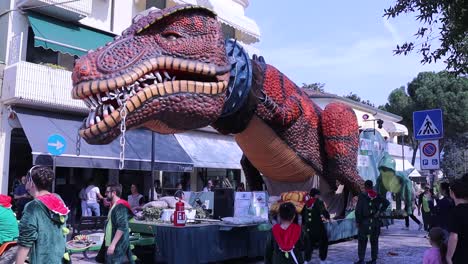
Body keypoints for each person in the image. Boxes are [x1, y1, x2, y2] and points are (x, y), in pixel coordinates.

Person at [15, 166, 70, 264]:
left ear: (31, 182)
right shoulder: (58, 199)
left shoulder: (33, 206)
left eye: (27, 180)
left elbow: (25, 242)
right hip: (60, 259)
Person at [354, 180, 390, 264]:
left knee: (362, 241)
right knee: (374, 241)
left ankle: (361, 260)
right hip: (375, 222)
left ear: (365, 186)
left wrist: (357, 221)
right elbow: (386, 203)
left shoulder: (362, 196)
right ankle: (374, 260)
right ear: (372, 186)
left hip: (364, 223)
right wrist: (379, 211)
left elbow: (358, 210)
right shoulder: (377, 195)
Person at [103, 184, 135, 264]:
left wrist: (113, 245)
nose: (105, 194)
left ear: (113, 193)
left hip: (118, 244)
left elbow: (122, 227)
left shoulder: (120, 206)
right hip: (114, 242)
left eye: (107, 192)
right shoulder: (114, 205)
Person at [301, 188, 330, 263]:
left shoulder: (306, 203)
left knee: (309, 244)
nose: (319, 196)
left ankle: (306, 260)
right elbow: (324, 211)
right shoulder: (319, 202)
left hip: (308, 227)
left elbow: (302, 214)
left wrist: (304, 225)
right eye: (318, 195)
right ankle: (322, 260)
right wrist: (327, 217)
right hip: (318, 227)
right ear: (316, 195)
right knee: (324, 241)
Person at [446, 173, 468, 264]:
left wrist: (448, 257)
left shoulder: (456, 211)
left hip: (461, 255)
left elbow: (454, 237)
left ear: (452, 193)